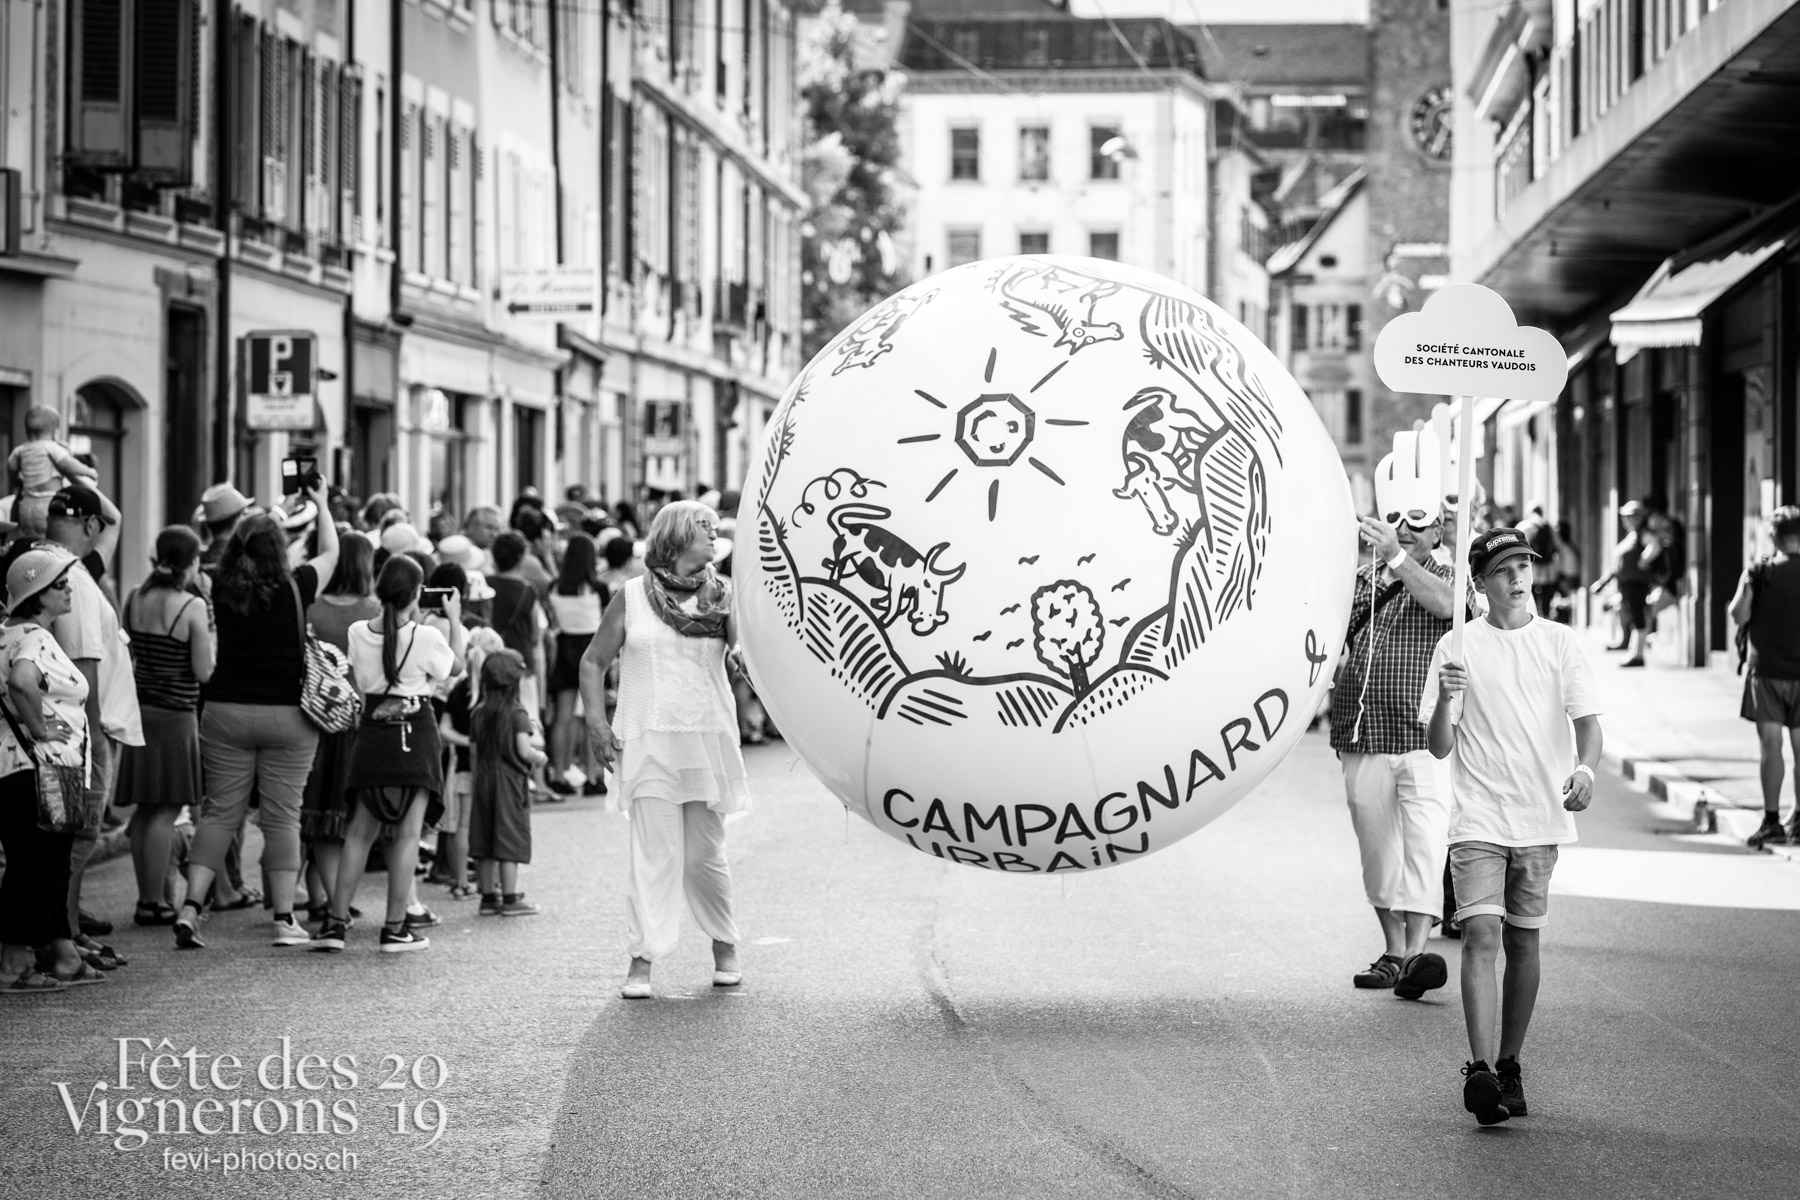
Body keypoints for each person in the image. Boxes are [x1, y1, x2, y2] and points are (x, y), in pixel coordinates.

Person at [1423, 527, 1603, 1126]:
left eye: (1523, 565)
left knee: (1524, 941)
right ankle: (1478, 1069)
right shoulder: (1456, 647)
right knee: (1481, 936)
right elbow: (1439, 746)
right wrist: (1446, 699)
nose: (1517, 577)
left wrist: (1584, 769)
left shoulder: (1559, 642)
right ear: (1479, 582)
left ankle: (1509, 1065)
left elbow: (1588, 723)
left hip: (1539, 817)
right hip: (1477, 817)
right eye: (1503, 569)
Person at [581, 500, 749, 1000]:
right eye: (704, 526)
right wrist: (597, 724)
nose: (714, 534)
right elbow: (593, 662)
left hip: (706, 738)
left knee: (704, 853)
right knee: (654, 852)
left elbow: (742, 655)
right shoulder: (632, 596)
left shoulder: (726, 596)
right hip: (648, 737)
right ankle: (642, 958)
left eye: (715, 528)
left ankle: (725, 944)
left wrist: (744, 659)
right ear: (676, 534)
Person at [172, 482, 340, 951]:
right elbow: (331, 551)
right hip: (287, 716)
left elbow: (240, 540)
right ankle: (285, 919)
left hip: (225, 711)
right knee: (282, 818)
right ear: (280, 549)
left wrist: (272, 516)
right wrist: (320, 504)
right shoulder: (297, 585)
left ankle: (190, 908)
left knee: (219, 812)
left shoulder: (222, 587)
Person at [1328, 506, 1459, 999]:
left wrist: (1397, 558)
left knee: (1426, 846)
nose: (1404, 528)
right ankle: (1395, 950)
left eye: (1418, 520)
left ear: (1438, 531)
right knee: (1377, 853)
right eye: (1396, 517)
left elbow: (1446, 606)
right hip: (1362, 734)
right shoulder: (1358, 580)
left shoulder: (1453, 577)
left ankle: (1417, 954)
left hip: (1426, 740)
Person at [311, 556, 463, 954]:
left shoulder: (357, 632)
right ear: (415, 594)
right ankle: (395, 928)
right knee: (407, 836)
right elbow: (455, 668)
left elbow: (364, 680)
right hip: (416, 736)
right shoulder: (426, 637)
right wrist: (454, 620)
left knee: (359, 835)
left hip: (373, 736)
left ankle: (335, 924)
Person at [38, 487, 138, 952]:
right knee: (78, 834)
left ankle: (66, 930)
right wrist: (94, 737)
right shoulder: (71, 580)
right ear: (90, 526)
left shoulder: (56, 566)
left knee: (70, 836)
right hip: (78, 729)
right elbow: (84, 663)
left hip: (66, 726)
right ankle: (63, 936)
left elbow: (111, 519)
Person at [0, 550, 98, 991]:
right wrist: (40, 728)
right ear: (37, 594)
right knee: (38, 866)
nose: (69, 589)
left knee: (41, 864)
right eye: (60, 584)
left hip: (15, 767)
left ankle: (63, 955)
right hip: (43, 768)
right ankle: (11, 964)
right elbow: (22, 681)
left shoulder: (7, 634)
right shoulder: (34, 638)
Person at [115, 527, 214, 927]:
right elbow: (204, 671)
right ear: (191, 562)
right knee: (167, 808)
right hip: (176, 716)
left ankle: (147, 898)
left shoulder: (134, 597)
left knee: (145, 809)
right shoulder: (191, 605)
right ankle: (154, 900)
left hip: (141, 711)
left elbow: (131, 652)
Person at [298, 532, 380, 920]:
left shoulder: (310, 606)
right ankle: (335, 902)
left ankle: (321, 896)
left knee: (317, 812)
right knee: (344, 817)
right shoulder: (372, 609)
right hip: (357, 720)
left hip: (314, 715)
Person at [1730, 505, 1800, 849]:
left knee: (1771, 747)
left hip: (1767, 673)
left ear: (1773, 535)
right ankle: (1799, 819)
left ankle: (1772, 821)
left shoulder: (1759, 571)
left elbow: (1738, 615)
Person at [470, 649, 547, 916]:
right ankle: (511, 898)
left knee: (484, 837)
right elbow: (524, 750)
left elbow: (474, 752)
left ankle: (488, 897)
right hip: (509, 780)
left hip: (483, 779)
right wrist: (539, 757)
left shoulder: (478, 713)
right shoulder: (517, 713)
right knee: (508, 837)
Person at [439, 628, 505, 901]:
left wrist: (467, 742)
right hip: (494, 768)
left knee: (462, 826)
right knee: (493, 826)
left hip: (463, 767)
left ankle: (460, 882)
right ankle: (494, 883)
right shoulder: (497, 689)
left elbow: (444, 729)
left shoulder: (460, 689)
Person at [547, 534, 605, 796]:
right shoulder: (598, 589)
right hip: (593, 648)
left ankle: (559, 775)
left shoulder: (554, 588)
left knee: (563, 717)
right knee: (595, 714)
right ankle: (593, 776)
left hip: (564, 647)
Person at [8, 406, 99, 539]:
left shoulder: (20, 450)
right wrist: (88, 471)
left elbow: (11, 467)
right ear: (55, 431)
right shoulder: (51, 447)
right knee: (50, 538)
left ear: (27, 431)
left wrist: (18, 481)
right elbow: (67, 464)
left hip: (26, 505)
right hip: (49, 503)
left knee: (29, 537)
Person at [1590, 500, 1652, 667]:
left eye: (1630, 517)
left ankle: (1637, 655)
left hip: (1637, 583)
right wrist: (1603, 582)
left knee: (1638, 617)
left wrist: (1644, 560)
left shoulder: (1643, 534)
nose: (1626, 520)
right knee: (1633, 617)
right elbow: (1616, 565)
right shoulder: (1631, 536)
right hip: (1626, 584)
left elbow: (1654, 546)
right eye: (1624, 517)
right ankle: (1633, 651)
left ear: (1639, 518)